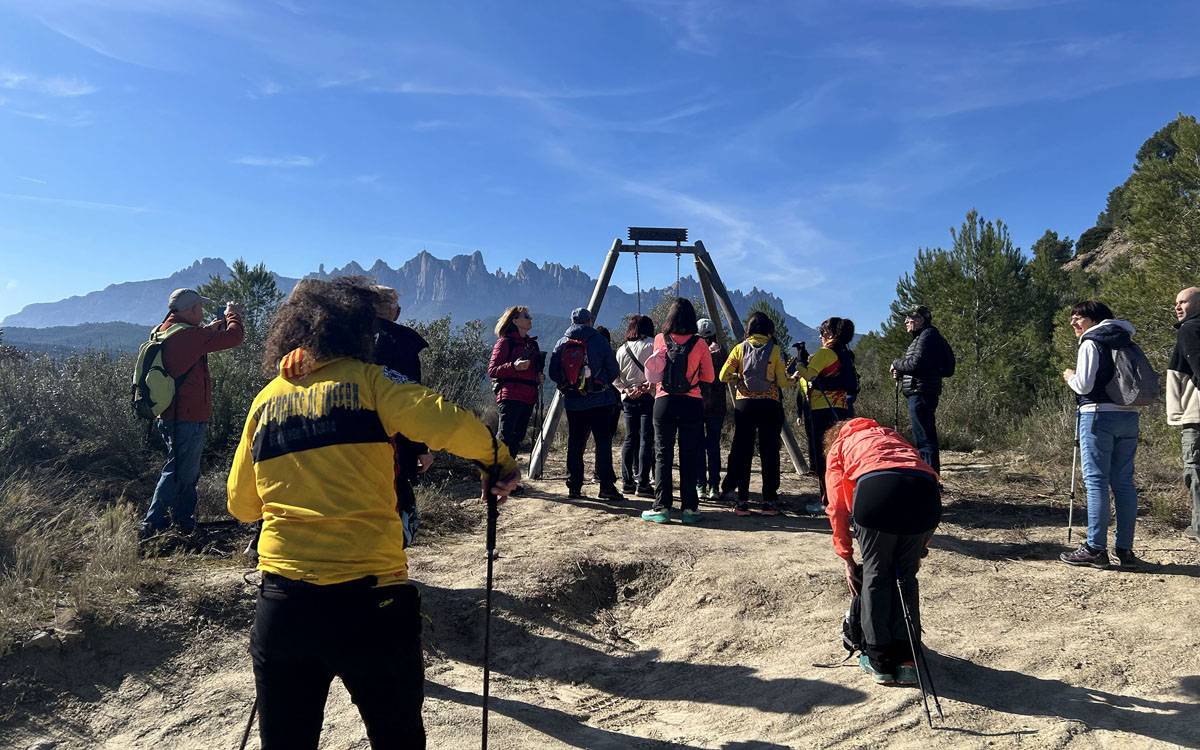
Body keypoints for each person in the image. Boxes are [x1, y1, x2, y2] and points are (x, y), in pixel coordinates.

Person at [227, 277, 519, 749]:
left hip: (283, 606)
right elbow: (447, 420)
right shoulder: (374, 382)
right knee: (397, 737)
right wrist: (497, 461)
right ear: (358, 330)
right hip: (372, 604)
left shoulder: (263, 403)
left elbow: (241, 505)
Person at [824, 417, 940, 687]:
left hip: (877, 492)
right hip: (925, 493)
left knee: (876, 575)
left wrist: (846, 556)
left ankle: (880, 660)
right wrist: (922, 546)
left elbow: (837, 507)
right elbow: (924, 474)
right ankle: (907, 659)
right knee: (906, 576)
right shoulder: (893, 437)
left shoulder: (841, 445)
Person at [139, 288, 244, 541]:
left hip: (170, 415)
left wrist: (211, 328)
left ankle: (182, 522)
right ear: (190, 310)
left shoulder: (166, 329)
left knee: (182, 471)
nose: (202, 311)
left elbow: (197, 340)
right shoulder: (188, 336)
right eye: (199, 307)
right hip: (186, 416)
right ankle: (153, 526)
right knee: (177, 471)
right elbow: (234, 338)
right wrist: (234, 316)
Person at [1060, 300, 1141, 569]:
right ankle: (1125, 550)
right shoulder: (1125, 339)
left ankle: (1095, 548)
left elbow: (1084, 384)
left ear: (1094, 319)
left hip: (1097, 415)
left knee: (1096, 482)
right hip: (1129, 415)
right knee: (1124, 483)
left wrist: (1069, 376)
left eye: (1078, 317)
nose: (1073, 322)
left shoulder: (1090, 341)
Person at [641, 298, 714, 523]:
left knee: (663, 454)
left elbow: (655, 373)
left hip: (664, 402)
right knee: (690, 455)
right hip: (691, 403)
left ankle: (661, 507)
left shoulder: (660, 339)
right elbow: (709, 377)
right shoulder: (700, 343)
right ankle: (690, 509)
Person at [372, 285, 433, 545]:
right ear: (395, 312)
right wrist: (421, 447)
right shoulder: (402, 342)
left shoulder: (341, 342)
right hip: (391, 442)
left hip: (343, 443)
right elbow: (410, 400)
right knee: (394, 507)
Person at [548, 307, 625, 501]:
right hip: (600, 401)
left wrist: (570, 384)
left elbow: (553, 373)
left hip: (574, 402)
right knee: (603, 443)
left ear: (572, 321)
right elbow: (613, 369)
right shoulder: (599, 340)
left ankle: (574, 485)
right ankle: (606, 487)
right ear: (590, 321)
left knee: (575, 442)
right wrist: (601, 382)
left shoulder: (562, 342)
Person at [718, 311, 791, 516]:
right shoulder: (775, 350)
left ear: (749, 329)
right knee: (769, 452)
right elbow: (783, 382)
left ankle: (742, 502)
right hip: (770, 405)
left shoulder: (739, 349)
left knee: (743, 451)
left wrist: (739, 376)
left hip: (745, 405)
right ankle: (769, 500)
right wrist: (793, 379)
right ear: (769, 329)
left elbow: (723, 376)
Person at [792, 318, 858, 514]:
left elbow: (809, 375)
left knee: (824, 458)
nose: (820, 336)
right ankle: (846, 499)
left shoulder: (825, 352)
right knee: (840, 456)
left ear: (830, 334)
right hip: (842, 409)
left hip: (821, 409)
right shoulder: (846, 353)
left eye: (822, 333)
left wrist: (800, 362)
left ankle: (828, 501)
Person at [890, 305, 954, 473]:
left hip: (921, 393)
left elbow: (915, 364)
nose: (905, 321)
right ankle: (930, 478)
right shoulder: (925, 337)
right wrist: (903, 373)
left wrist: (896, 363)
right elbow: (928, 366)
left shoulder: (928, 336)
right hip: (921, 392)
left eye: (909, 318)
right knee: (924, 437)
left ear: (920, 319)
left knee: (925, 439)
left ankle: (931, 480)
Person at [487, 305, 543, 464]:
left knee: (516, 438)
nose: (530, 319)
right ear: (515, 321)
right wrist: (513, 366)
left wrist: (539, 375)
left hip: (528, 397)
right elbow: (492, 370)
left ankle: (506, 480)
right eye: (526, 316)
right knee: (505, 438)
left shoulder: (532, 345)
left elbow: (535, 368)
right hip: (510, 396)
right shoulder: (505, 342)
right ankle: (495, 479)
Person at [1169, 287, 1200, 544]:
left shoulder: (1190, 329)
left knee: (1195, 471)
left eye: (1183, 302)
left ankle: (1198, 527)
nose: (1178, 307)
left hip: (1196, 414)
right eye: (1176, 303)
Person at [614, 314, 656, 498]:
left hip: (629, 398)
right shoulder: (653, 345)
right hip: (648, 396)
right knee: (646, 439)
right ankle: (644, 483)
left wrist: (625, 390)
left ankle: (627, 482)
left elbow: (614, 377)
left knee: (630, 438)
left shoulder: (621, 349)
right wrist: (651, 385)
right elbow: (660, 370)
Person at [695, 318, 728, 501]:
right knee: (713, 446)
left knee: (699, 446)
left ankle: (700, 485)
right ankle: (714, 486)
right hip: (718, 405)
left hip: (698, 404)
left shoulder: (695, 351)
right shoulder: (723, 352)